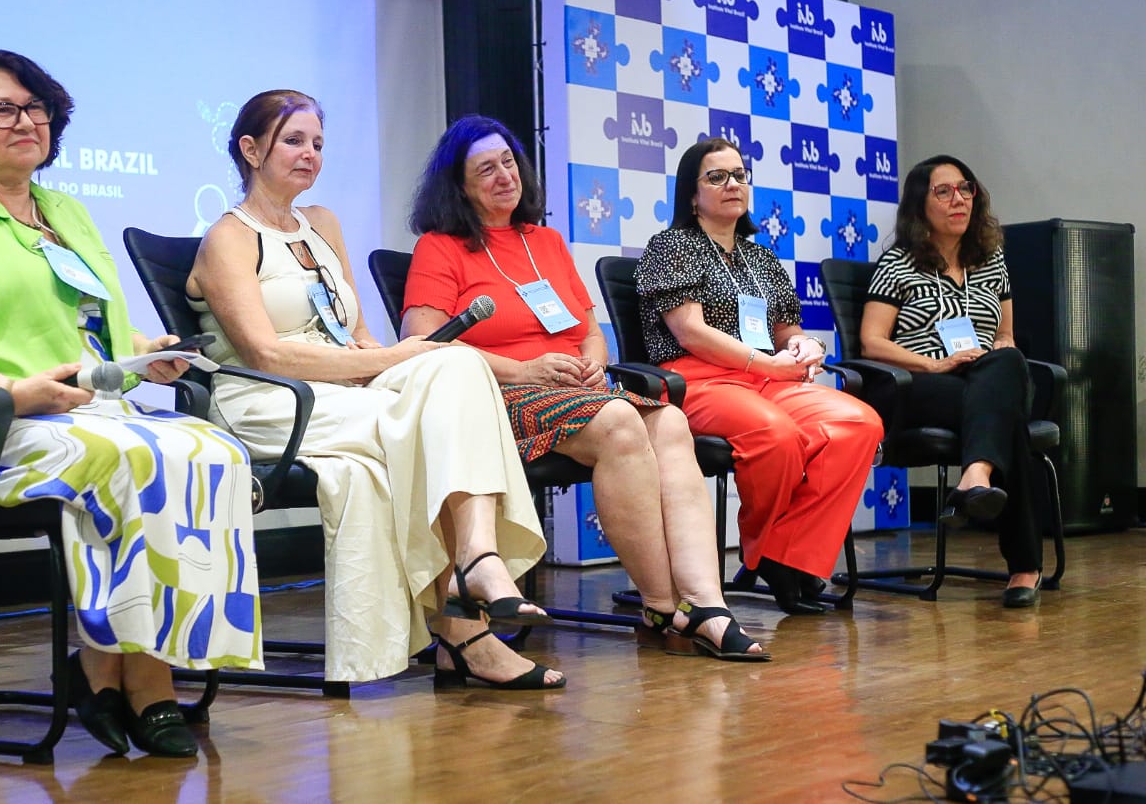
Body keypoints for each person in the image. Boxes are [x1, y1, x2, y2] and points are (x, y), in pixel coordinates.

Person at [0, 50, 260, 758]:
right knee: (124, 453)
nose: (26, 121)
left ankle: (110, 665)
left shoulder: (67, 213)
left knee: (212, 448)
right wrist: (9, 390)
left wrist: (145, 350)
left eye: (36, 106)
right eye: (3, 109)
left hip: (78, 411)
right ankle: (147, 679)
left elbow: (88, 329)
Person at [187, 91, 563, 689]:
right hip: (273, 400)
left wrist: (389, 360)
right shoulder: (227, 237)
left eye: (317, 143)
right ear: (250, 149)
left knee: (458, 366)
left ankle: (476, 563)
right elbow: (266, 353)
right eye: (293, 141)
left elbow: (355, 333)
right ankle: (467, 625)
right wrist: (394, 359)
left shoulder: (324, 224)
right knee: (430, 419)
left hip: (346, 389)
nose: (309, 154)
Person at [403, 115, 769, 661]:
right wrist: (525, 371)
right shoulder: (442, 247)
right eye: (486, 169)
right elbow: (423, 344)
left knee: (670, 420)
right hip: (494, 394)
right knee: (621, 423)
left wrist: (595, 365)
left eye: (509, 162)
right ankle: (663, 605)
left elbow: (587, 332)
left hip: (575, 391)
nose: (504, 176)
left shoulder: (544, 241)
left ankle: (705, 603)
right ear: (459, 185)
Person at [635, 138, 883, 615]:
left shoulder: (761, 258)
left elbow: (787, 329)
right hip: (698, 380)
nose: (733, 184)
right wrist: (763, 362)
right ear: (691, 193)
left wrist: (805, 347)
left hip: (768, 380)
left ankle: (782, 553)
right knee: (776, 434)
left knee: (861, 424)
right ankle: (774, 554)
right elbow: (690, 332)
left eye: (740, 174)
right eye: (717, 176)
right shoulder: (671, 246)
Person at [860, 154, 1043, 608]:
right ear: (921, 206)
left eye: (965, 188)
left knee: (1006, 364)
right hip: (921, 383)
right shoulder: (898, 264)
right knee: (1007, 419)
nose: (958, 199)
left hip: (983, 378)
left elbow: (1004, 334)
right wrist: (936, 364)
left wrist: (1001, 349)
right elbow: (871, 343)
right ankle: (1025, 565)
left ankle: (974, 478)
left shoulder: (991, 260)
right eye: (944, 191)